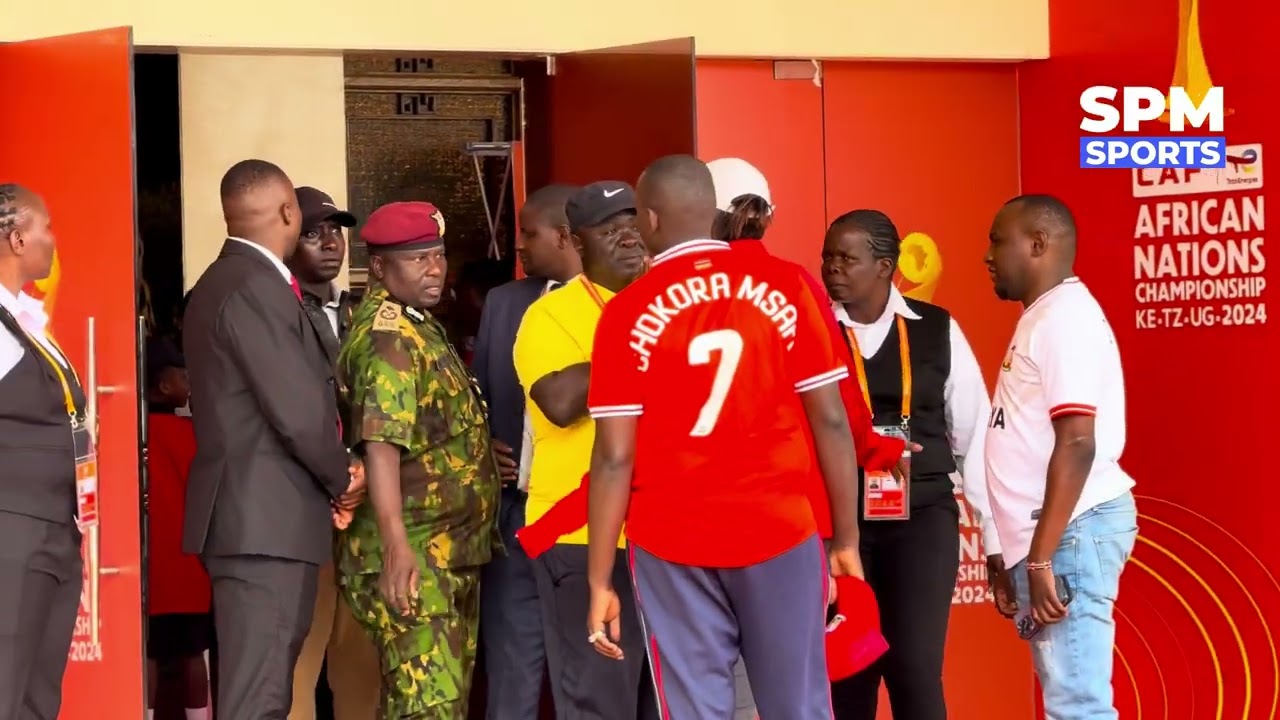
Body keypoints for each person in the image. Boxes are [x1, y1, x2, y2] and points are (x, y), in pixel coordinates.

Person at [584, 155, 864, 719]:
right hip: (779, 528)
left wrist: (598, 580)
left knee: (695, 709)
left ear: (651, 220)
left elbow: (614, 458)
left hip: (672, 542)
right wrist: (846, 541)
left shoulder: (625, 312)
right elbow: (832, 421)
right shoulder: (786, 286)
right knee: (799, 706)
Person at [183, 160, 362, 720]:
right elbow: (297, 410)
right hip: (263, 524)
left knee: (263, 693)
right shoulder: (253, 286)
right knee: (258, 699)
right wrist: (343, 477)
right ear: (288, 212)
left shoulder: (237, 280)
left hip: (261, 523)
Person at [819, 208, 998, 720]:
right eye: (827, 257)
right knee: (847, 670)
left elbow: (975, 437)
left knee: (914, 668)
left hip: (921, 519)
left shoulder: (936, 328)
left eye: (846, 258)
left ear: (885, 266)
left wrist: (994, 534)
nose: (832, 268)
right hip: (837, 526)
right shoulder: (812, 329)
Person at [336, 201, 502, 720]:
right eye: (416, 259)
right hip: (417, 555)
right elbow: (381, 447)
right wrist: (396, 548)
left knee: (437, 705)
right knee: (427, 707)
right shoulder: (389, 338)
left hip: (447, 552)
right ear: (379, 267)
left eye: (438, 255)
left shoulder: (418, 324)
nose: (434, 269)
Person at [984, 194, 1137, 719]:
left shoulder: (1063, 319)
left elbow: (1077, 441)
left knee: (1078, 705)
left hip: (1069, 532)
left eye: (997, 241)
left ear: (1038, 244)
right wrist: (1013, 550)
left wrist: (1041, 556)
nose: (988, 256)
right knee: (1069, 699)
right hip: (1056, 535)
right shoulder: (1046, 315)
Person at [513, 181, 655, 720]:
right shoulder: (549, 316)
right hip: (581, 536)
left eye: (633, 224)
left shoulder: (669, 301)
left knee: (664, 703)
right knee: (599, 701)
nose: (628, 238)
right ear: (576, 242)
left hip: (664, 535)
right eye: (610, 229)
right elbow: (559, 401)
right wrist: (645, 339)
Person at [473, 183, 581, 720]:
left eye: (528, 233)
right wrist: (484, 447)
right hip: (514, 518)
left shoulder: (621, 304)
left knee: (588, 677)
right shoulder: (504, 302)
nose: (518, 244)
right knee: (512, 677)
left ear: (564, 236)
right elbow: (479, 400)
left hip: (585, 523)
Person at [285, 186, 380, 720]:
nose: (329, 243)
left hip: (366, 512)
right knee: (298, 662)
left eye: (335, 231)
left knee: (361, 661)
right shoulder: (277, 312)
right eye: (312, 233)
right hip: (307, 507)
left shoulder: (363, 312)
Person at [0, 184, 85, 720]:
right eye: (46, 227)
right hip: (13, 531)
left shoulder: (28, 320)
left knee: (38, 696)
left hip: (57, 528)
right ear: (17, 239)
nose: (53, 239)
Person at [144, 337, 212, 720]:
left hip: (150, 567)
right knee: (193, 654)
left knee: (149, 654)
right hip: (189, 567)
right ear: (164, 384)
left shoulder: (132, 436)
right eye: (183, 376)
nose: (189, 383)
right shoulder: (192, 435)